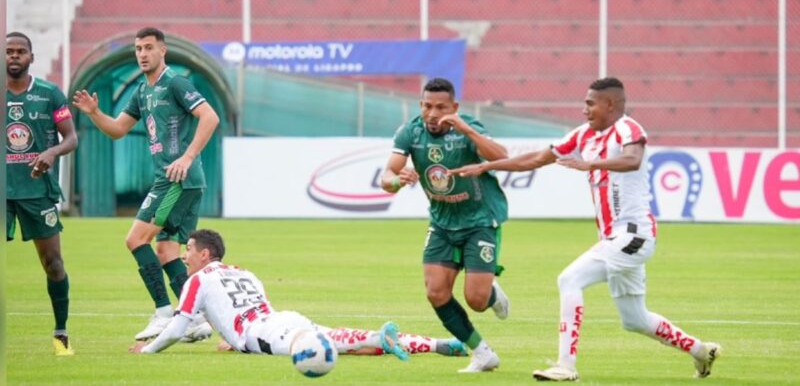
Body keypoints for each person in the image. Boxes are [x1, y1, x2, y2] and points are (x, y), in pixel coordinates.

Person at [450, 77, 721, 381]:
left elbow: (632, 160)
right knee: (635, 319)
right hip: (616, 237)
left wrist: (593, 165)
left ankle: (566, 366)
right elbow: (538, 158)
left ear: (611, 104)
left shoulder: (629, 129)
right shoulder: (583, 135)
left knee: (569, 279)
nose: (584, 110)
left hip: (634, 233)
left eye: (590, 103)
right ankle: (701, 350)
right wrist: (486, 167)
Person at [72, 27, 220, 341]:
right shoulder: (142, 91)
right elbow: (117, 130)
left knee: (136, 239)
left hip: (177, 178)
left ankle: (164, 313)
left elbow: (210, 117)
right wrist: (95, 112)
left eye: (149, 47)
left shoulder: (176, 83)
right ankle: (192, 319)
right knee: (166, 250)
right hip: (171, 179)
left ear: (162, 50)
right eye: (138, 48)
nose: (142, 53)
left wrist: (188, 157)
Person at [129, 229, 470, 360]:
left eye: (188, 250)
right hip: (280, 319)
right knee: (354, 348)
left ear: (204, 255)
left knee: (336, 342)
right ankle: (439, 344)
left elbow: (179, 325)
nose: (184, 256)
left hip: (265, 333)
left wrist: (149, 349)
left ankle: (381, 334)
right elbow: (217, 316)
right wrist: (231, 340)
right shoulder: (244, 272)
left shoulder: (198, 280)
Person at [379, 77, 511, 373]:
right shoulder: (410, 133)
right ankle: (482, 353)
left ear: (454, 107)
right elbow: (387, 175)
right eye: (427, 106)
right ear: (420, 105)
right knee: (436, 292)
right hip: (441, 223)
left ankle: (490, 292)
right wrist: (397, 181)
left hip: (479, 220)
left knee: (476, 300)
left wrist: (465, 129)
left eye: (441, 107)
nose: (433, 114)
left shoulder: (467, 127)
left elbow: (502, 157)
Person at [6, 32, 79, 355]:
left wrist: (51, 153)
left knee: (53, 263)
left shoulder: (50, 94)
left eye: (21, 51)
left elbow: (72, 138)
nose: (14, 57)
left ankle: (61, 333)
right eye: (8, 52)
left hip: (37, 191)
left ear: (31, 58)